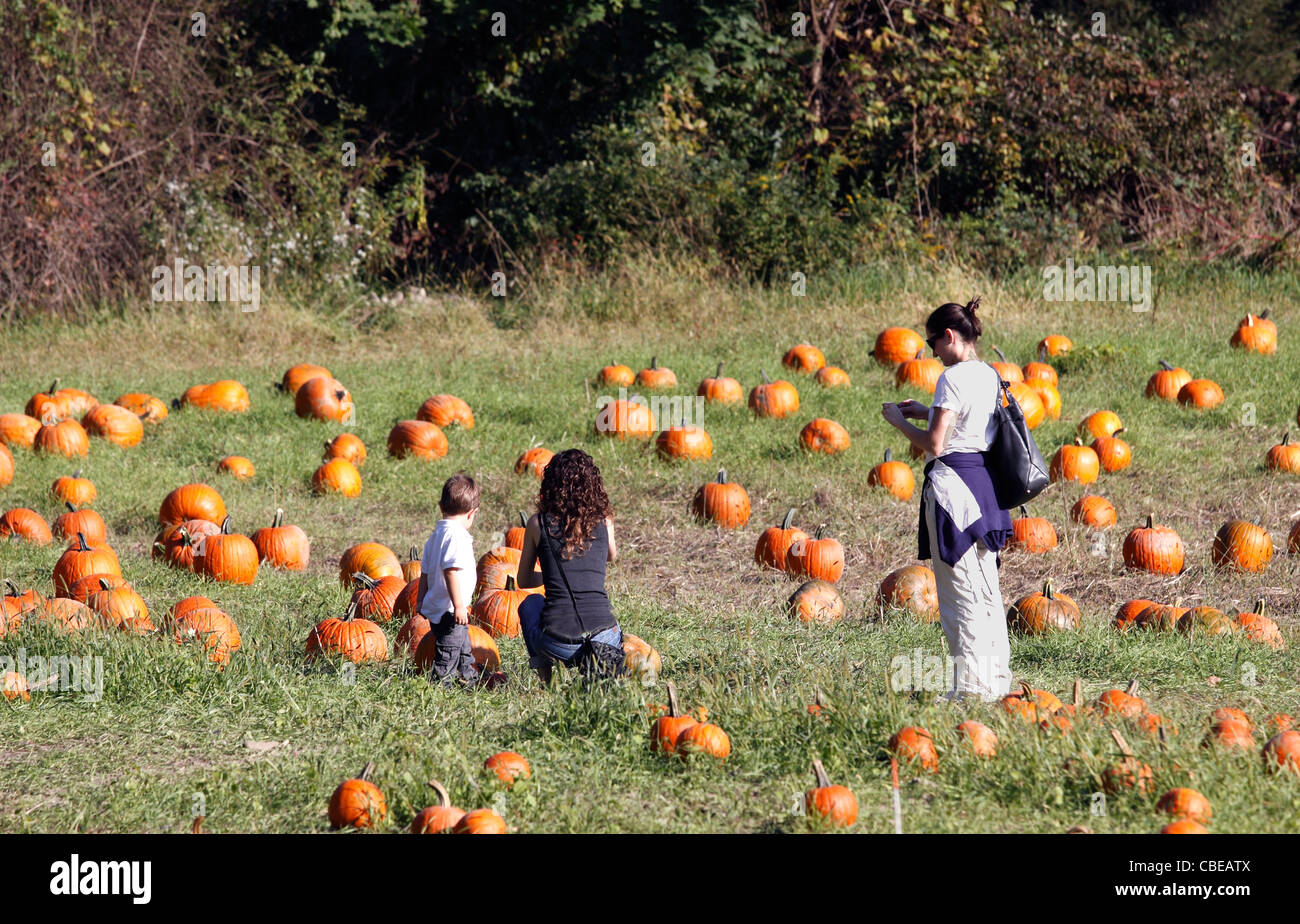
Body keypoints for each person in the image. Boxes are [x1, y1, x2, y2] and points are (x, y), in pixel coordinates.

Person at [879, 296, 1014, 700]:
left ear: (950, 336)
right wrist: (928, 409)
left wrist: (901, 422)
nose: (932, 351)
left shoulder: (951, 378)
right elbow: (968, 426)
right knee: (988, 590)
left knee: (959, 596)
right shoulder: (990, 375)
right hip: (986, 491)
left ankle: (970, 690)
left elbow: (936, 445)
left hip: (953, 491)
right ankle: (996, 683)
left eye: (934, 341)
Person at [516, 449, 623, 684]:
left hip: (558, 644)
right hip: (606, 637)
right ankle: (599, 665)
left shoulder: (538, 524)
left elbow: (523, 581)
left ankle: (548, 683)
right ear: (594, 485)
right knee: (605, 616)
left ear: (550, 485)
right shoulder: (604, 520)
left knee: (530, 604)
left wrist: (551, 575)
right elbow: (611, 556)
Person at [416, 473, 502, 688]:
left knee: (462, 648)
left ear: (441, 506)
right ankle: (440, 685)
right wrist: (459, 606)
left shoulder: (436, 535)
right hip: (450, 611)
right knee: (447, 654)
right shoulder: (456, 537)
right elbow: (451, 572)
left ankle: (470, 678)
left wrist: (420, 600)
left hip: (439, 608)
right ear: (472, 514)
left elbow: (425, 571)